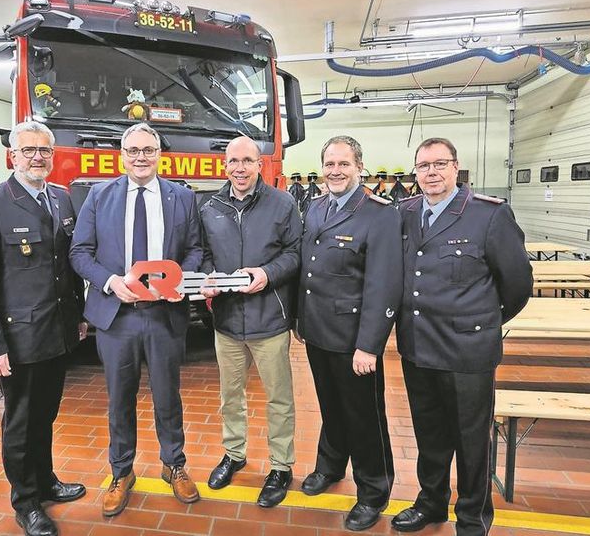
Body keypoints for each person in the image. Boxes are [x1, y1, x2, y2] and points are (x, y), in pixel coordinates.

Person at [391, 138, 533, 536]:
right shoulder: (404, 213)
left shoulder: (488, 215)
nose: (431, 173)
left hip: (467, 351)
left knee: (472, 441)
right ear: (415, 172)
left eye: (440, 164)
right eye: (423, 166)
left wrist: (484, 320)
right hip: (418, 347)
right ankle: (431, 502)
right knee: (430, 434)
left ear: (456, 168)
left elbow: (518, 284)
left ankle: (472, 517)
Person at [70, 122, 203, 517]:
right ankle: (121, 471)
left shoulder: (182, 197)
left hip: (165, 314)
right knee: (120, 399)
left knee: (168, 396)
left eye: (148, 150)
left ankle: (174, 464)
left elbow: (195, 249)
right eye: (134, 151)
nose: (141, 157)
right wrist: (110, 282)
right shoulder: (99, 196)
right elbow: (80, 253)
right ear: (122, 155)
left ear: (160, 153)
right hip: (117, 316)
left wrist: (179, 279)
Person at [0, 121, 87, 536]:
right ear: (12, 156)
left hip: (57, 332)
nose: (38, 157)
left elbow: (67, 270)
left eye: (44, 151)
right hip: (17, 339)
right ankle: (27, 501)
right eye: (29, 150)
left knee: (46, 415)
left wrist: (80, 317)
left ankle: (46, 480)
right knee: (20, 420)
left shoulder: (62, 199)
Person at [296, 135, 402, 531]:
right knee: (331, 406)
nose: (335, 171)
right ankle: (330, 466)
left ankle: (373, 490)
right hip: (319, 331)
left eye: (343, 164)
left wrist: (369, 345)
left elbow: (384, 284)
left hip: (355, 339)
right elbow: (310, 270)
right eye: (329, 164)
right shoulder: (316, 205)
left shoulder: (380, 213)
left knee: (364, 417)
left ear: (360, 166)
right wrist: (301, 322)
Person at [197, 136, 301, 507]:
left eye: (247, 161)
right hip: (226, 320)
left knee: (279, 399)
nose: (239, 168)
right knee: (230, 396)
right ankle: (234, 454)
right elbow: (204, 253)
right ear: (224, 165)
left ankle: (281, 466)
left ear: (259, 164)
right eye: (233, 161)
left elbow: (295, 253)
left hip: (269, 318)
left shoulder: (282, 203)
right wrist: (208, 276)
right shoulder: (210, 205)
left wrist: (267, 273)